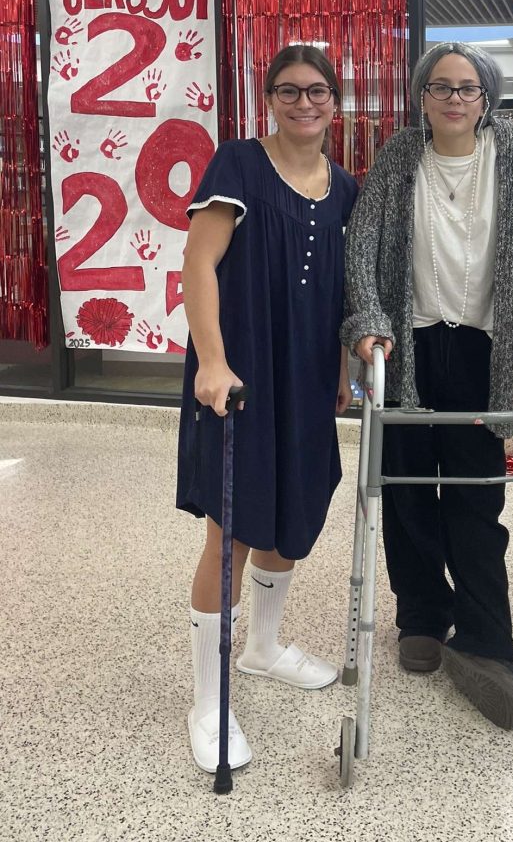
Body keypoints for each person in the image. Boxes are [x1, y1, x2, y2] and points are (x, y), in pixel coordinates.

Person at [341, 42, 513, 731]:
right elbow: (360, 246)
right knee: (408, 489)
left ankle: (486, 637)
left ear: (488, 98)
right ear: (422, 95)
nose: (455, 98)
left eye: (469, 88)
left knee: (477, 497)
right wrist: (367, 319)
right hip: (407, 346)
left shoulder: (511, 153)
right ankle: (422, 613)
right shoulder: (397, 156)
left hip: (482, 352)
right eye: (442, 87)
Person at [176, 43, 357, 774]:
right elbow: (198, 263)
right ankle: (208, 700)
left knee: (294, 515)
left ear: (336, 103)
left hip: (308, 376)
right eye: (289, 91)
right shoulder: (240, 165)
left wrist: (341, 368)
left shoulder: (344, 187)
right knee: (233, 533)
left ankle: (264, 648)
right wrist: (213, 360)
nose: (304, 103)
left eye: (317, 92)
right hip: (242, 372)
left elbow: (340, 287)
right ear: (269, 99)